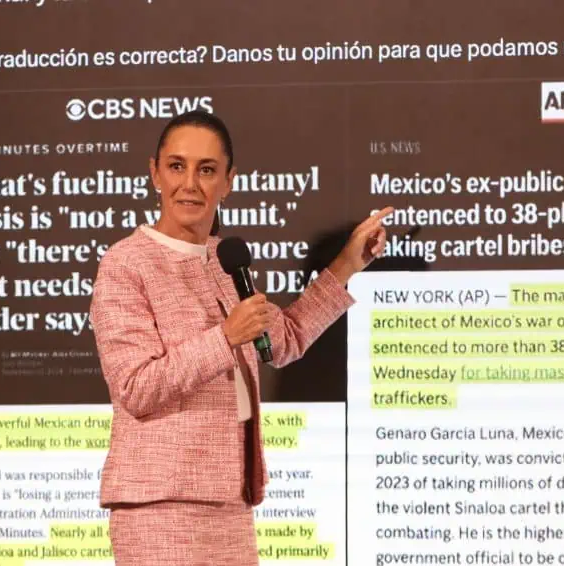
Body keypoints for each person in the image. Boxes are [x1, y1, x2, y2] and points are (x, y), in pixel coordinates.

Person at [88, 110, 392, 565]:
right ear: (154, 172)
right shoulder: (126, 265)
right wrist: (224, 337)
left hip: (230, 501)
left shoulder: (225, 260)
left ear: (227, 182)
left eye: (206, 170)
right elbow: (136, 387)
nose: (189, 183)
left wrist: (347, 265)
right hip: (160, 508)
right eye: (176, 166)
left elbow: (282, 340)